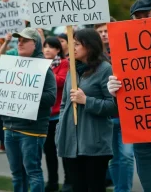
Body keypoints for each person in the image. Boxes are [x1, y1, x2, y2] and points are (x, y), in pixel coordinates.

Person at [107, 0, 151, 192]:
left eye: (146, 16)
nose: (142, 22)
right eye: (137, 18)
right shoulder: (126, 50)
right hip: (145, 137)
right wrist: (114, 90)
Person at [56, 28, 117, 192]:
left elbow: (113, 106)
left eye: (76, 44)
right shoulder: (73, 69)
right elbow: (64, 103)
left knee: (94, 187)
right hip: (71, 141)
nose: (72, 48)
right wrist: (61, 128)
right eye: (71, 44)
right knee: (77, 187)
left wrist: (86, 101)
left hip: (94, 142)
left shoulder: (105, 69)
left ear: (89, 46)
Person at [2, 28, 57, 192]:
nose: (20, 43)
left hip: (31, 129)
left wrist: (27, 92)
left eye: (25, 40)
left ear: (36, 44)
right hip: (10, 126)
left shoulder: (43, 68)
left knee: (32, 172)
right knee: (16, 173)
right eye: (19, 40)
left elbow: (50, 98)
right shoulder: (12, 64)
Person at [95, 19, 135, 192]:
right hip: (108, 115)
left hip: (127, 114)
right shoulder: (94, 58)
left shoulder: (127, 50)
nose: (104, 34)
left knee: (126, 156)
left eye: (106, 30)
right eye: (100, 31)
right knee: (112, 158)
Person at [42, 37, 70, 192]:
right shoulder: (39, 63)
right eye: (45, 46)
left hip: (59, 115)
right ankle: (52, 182)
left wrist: (43, 74)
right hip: (45, 116)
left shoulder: (64, 63)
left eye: (51, 47)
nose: (47, 50)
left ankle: (68, 181)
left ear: (58, 50)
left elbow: (61, 81)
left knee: (64, 150)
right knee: (49, 152)